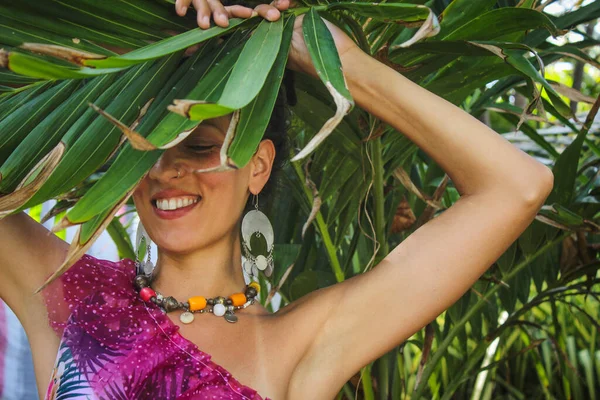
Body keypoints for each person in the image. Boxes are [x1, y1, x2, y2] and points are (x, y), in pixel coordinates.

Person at [0, 0, 555, 399]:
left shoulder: (298, 344)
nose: (166, 170)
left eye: (198, 147)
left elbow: (516, 186)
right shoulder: (68, 291)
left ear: (257, 164)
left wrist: (325, 54)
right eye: (144, 149)